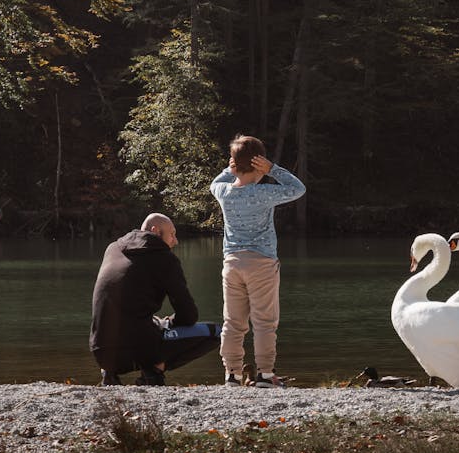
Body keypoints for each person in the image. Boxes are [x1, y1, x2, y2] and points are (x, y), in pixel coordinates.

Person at [210, 135, 306, 388]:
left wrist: (229, 169)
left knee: (233, 322)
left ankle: (232, 374)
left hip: (232, 263)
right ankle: (264, 373)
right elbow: (298, 189)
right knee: (264, 322)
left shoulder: (224, 192)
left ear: (234, 165)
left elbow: (214, 183)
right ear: (259, 164)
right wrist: (273, 169)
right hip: (261, 263)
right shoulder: (263, 193)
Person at [90, 212, 219, 385]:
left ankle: (110, 374)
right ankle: (155, 371)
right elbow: (189, 315)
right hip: (139, 351)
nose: (175, 241)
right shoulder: (165, 259)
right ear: (155, 231)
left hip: (101, 352)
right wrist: (170, 322)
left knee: (135, 323)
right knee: (217, 332)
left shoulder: (113, 249)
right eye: (172, 234)